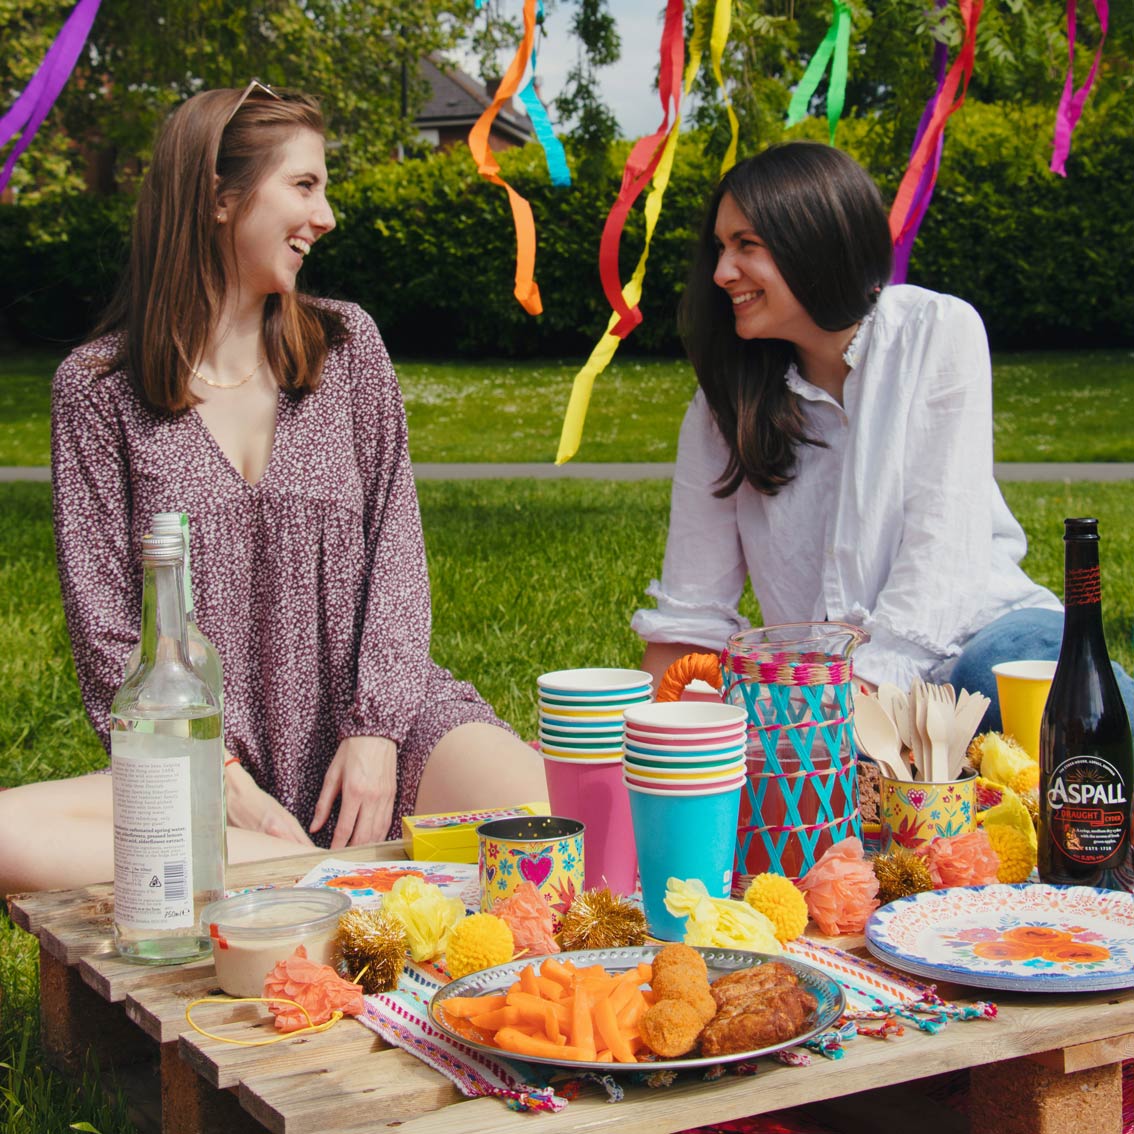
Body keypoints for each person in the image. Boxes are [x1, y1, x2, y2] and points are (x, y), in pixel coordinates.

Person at [0, 82, 546, 894]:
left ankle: (305, 885)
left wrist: (375, 736)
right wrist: (217, 780)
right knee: (8, 832)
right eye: (304, 185)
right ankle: (332, 883)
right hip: (201, 769)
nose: (325, 216)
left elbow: (396, 552)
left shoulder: (348, 345)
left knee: (553, 816)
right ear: (218, 199)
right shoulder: (96, 391)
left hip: (382, 730)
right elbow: (107, 630)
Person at [632, 141, 1134, 726]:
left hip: (975, 639)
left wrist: (847, 721)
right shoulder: (724, 402)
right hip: (827, 695)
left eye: (747, 246)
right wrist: (652, 737)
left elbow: (941, 554)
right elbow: (692, 620)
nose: (721, 272)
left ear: (814, 241)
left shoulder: (934, 332)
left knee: (1001, 683)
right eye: (720, 248)